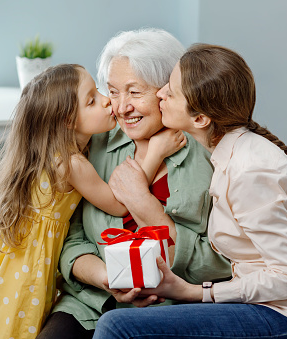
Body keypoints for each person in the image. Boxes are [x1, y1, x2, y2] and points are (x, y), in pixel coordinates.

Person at [95, 44, 287, 339]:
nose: (160, 94)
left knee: (116, 328)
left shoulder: (249, 170)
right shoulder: (227, 156)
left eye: (170, 91)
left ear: (199, 120)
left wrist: (197, 292)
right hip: (258, 308)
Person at [38, 29, 232, 339]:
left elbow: (222, 265)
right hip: (93, 304)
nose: (121, 107)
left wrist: (144, 205)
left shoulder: (210, 159)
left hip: (176, 306)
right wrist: (106, 278)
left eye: (134, 92)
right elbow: (72, 242)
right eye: (113, 91)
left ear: (168, 90)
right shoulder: (94, 144)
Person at [0, 64, 185, 338]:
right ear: (68, 121)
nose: (107, 100)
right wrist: (154, 153)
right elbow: (119, 204)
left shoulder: (59, 153)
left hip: (17, 258)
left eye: (98, 90)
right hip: (32, 261)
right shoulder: (71, 163)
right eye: (92, 100)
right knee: (21, 324)